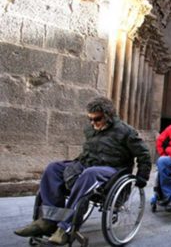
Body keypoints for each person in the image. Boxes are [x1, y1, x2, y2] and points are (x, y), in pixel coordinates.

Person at [14, 96, 152, 244]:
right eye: (90, 119)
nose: (93, 123)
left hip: (112, 170)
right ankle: (48, 221)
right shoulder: (90, 130)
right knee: (53, 168)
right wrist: (73, 167)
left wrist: (141, 177)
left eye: (97, 119)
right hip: (88, 164)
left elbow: (143, 154)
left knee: (89, 174)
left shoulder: (126, 132)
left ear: (108, 116)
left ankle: (65, 228)